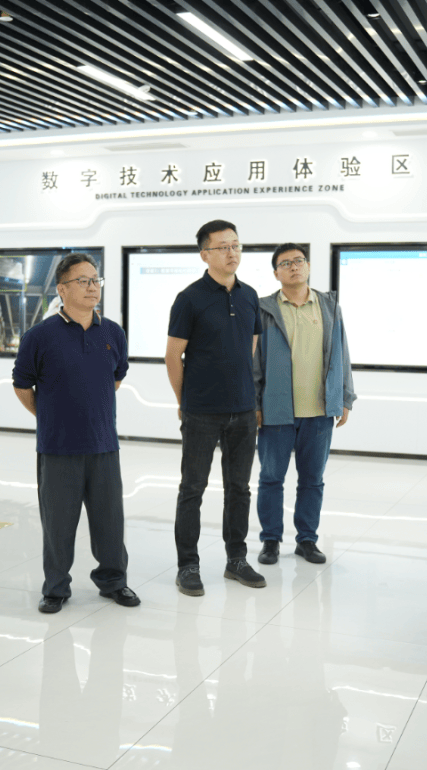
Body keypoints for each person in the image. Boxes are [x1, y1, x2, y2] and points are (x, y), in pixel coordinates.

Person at [12, 254, 138, 613]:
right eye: (82, 280)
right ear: (62, 289)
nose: (92, 286)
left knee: (110, 522)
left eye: (96, 280)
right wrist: (49, 416)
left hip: (104, 446)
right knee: (58, 525)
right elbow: (21, 385)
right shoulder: (40, 336)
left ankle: (114, 581)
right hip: (57, 447)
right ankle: (55, 588)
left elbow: (115, 379)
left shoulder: (113, 333)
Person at [166, 219, 265, 596]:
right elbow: (173, 356)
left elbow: (250, 347)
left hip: (243, 411)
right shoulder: (189, 298)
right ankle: (188, 565)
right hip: (201, 412)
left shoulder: (250, 295)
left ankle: (236, 559)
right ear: (204, 254)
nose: (232, 252)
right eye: (223, 247)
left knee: (240, 488)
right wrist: (185, 401)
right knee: (193, 488)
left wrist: (243, 393)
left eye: (236, 245)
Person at [253, 243, 356, 565]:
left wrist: (346, 396)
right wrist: (255, 403)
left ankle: (307, 540)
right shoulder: (263, 309)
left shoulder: (328, 305)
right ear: (276, 273)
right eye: (286, 263)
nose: (294, 266)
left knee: (312, 480)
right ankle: (270, 540)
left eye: (299, 260)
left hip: (319, 411)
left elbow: (342, 352)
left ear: (308, 266)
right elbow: (254, 359)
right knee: (271, 479)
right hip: (275, 410)